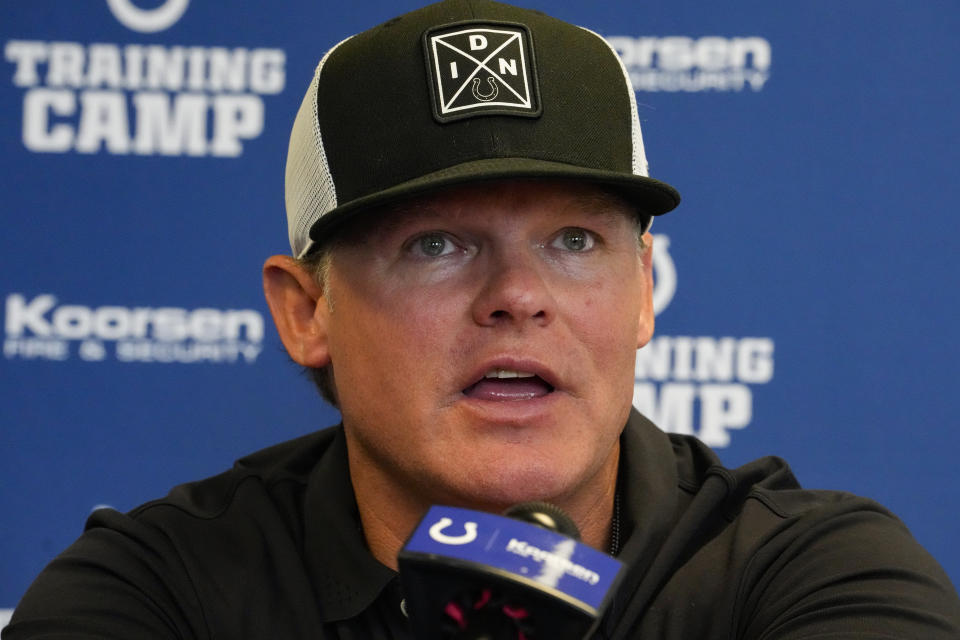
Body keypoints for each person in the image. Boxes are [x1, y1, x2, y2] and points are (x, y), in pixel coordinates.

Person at [5, 1, 960, 638]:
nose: (518, 294)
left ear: (643, 290)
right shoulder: (156, 592)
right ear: (307, 313)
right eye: (436, 245)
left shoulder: (812, 577)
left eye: (575, 242)